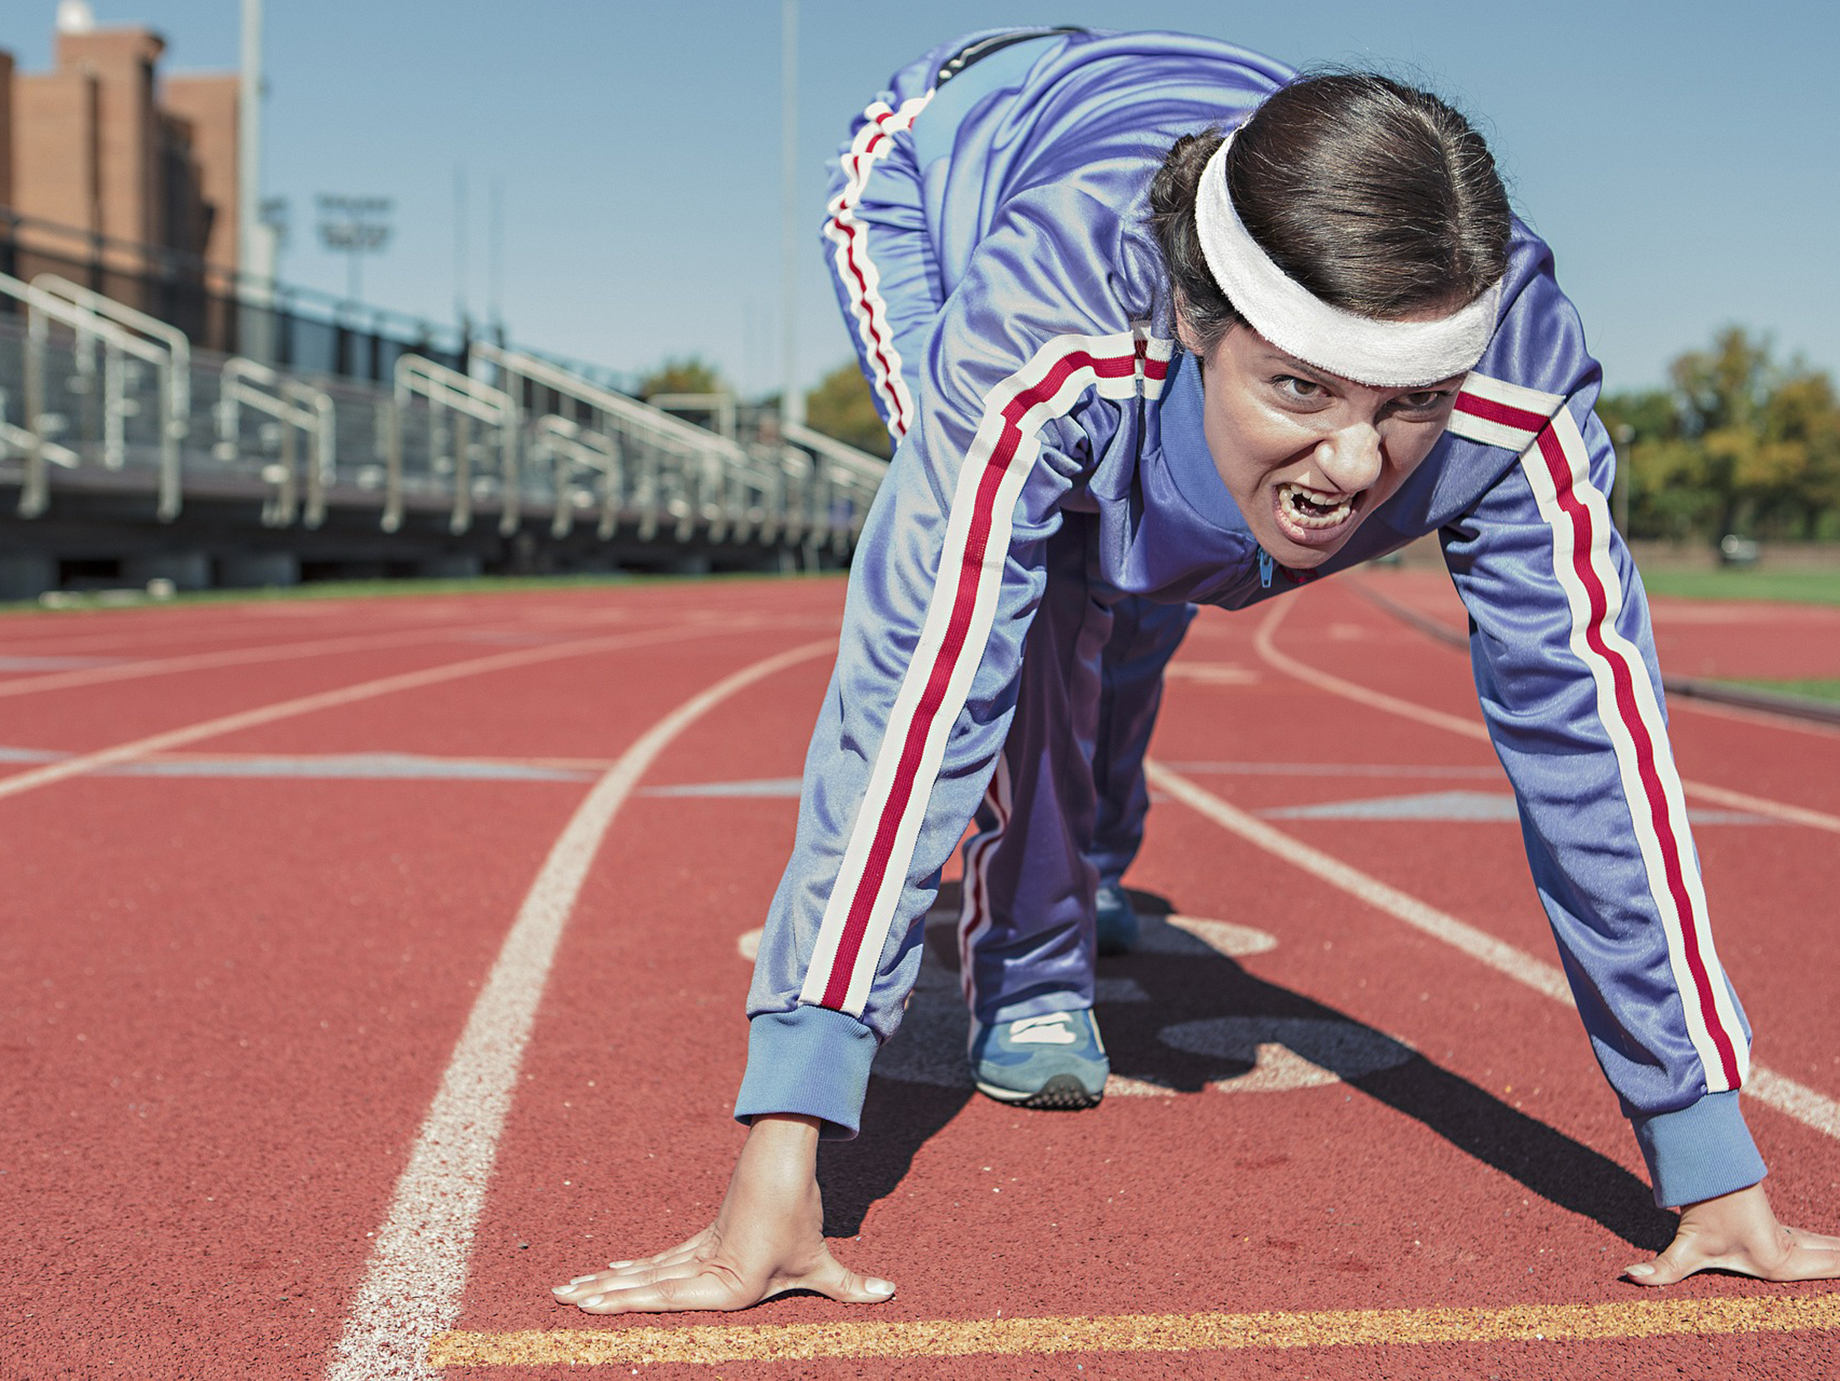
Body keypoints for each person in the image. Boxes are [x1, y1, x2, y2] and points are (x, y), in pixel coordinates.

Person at [554, 27, 1840, 1313]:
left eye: (1406, 406)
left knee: (1163, 570)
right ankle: (1033, 952)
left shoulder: (1517, 387)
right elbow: (918, 686)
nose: (1349, 464)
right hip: (947, 167)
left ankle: (1093, 847)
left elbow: (1598, 752)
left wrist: (1708, 1159)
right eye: (1300, 389)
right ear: (1195, 318)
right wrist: (790, 1136)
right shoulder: (1043, 331)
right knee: (1048, 581)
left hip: (1200, 175)